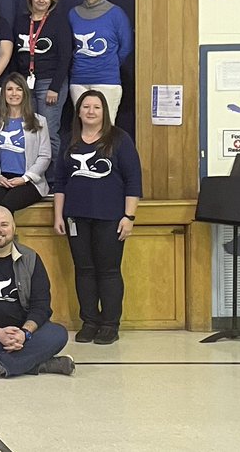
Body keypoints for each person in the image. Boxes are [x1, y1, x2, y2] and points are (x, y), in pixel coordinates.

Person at [53, 89, 142, 345]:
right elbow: (60, 182)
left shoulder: (120, 139)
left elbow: (133, 181)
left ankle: (110, 324)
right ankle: (89, 321)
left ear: (105, 111)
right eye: (86, 107)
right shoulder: (69, 140)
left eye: (96, 107)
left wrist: (129, 216)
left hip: (111, 218)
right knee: (84, 271)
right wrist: (59, 215)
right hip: (75, 218)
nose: (91, 111)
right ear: (78, 111)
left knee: (109, 271)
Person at [0, 206, 74, 381]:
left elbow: (42, 306)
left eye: (4, 224)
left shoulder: (31, 258)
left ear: (14, 227)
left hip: (24, 332)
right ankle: (39, 363)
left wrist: (24, 333)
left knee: (58, 334)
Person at [13, 0, 72, 179]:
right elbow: (15, 55)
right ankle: (32, 176)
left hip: (50, 84)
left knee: (48, 132)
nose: (41, 0)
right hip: (25, 84)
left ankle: (56, 180)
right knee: (28, 132)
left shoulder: (59, 22)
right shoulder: (21, 21)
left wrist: (55, 87)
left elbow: (66, 57)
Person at [69, 0, 132, 123]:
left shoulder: (116, 13)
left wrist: (109, 64)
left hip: (107, 80)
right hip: (79, 80)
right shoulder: (73, 14)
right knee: (82, 127)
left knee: (105, 130)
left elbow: (126, 46)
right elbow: (69, 46)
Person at [0, 74, 51, 213]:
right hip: (0, 179)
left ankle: (6, 235)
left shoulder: (39, 121)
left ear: (25, 93)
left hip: (29, 181)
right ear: (3, 93)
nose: (14, 93)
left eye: (18, 89)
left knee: (6, 206)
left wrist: (25, 178)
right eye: (9, 89)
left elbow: (45, 156)